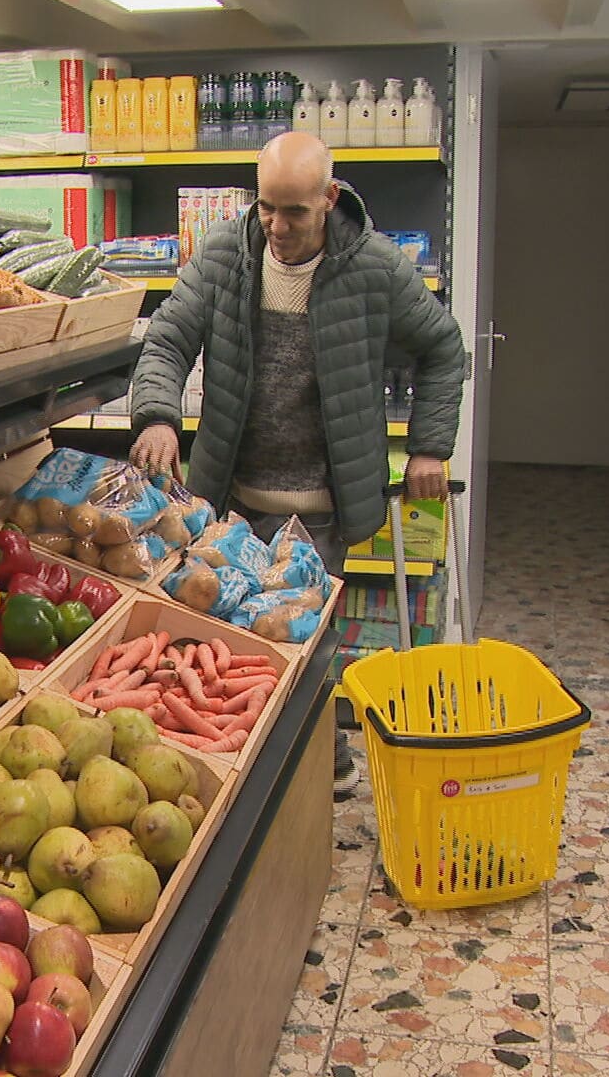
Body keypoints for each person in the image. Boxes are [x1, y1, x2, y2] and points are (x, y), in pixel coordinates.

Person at [128, 130, 468, 792]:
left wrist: (430, 444)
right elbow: (168, 338)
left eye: (295, 212)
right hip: (233, 496)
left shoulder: (374, 267)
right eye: (266, 209)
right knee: (228, 647)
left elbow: (443, 346)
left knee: (302, 645)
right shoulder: (226, 255)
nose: (277, 227)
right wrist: (160, 416)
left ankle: (320, 765)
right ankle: (240, 774)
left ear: (329, 199)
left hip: (323, 510)